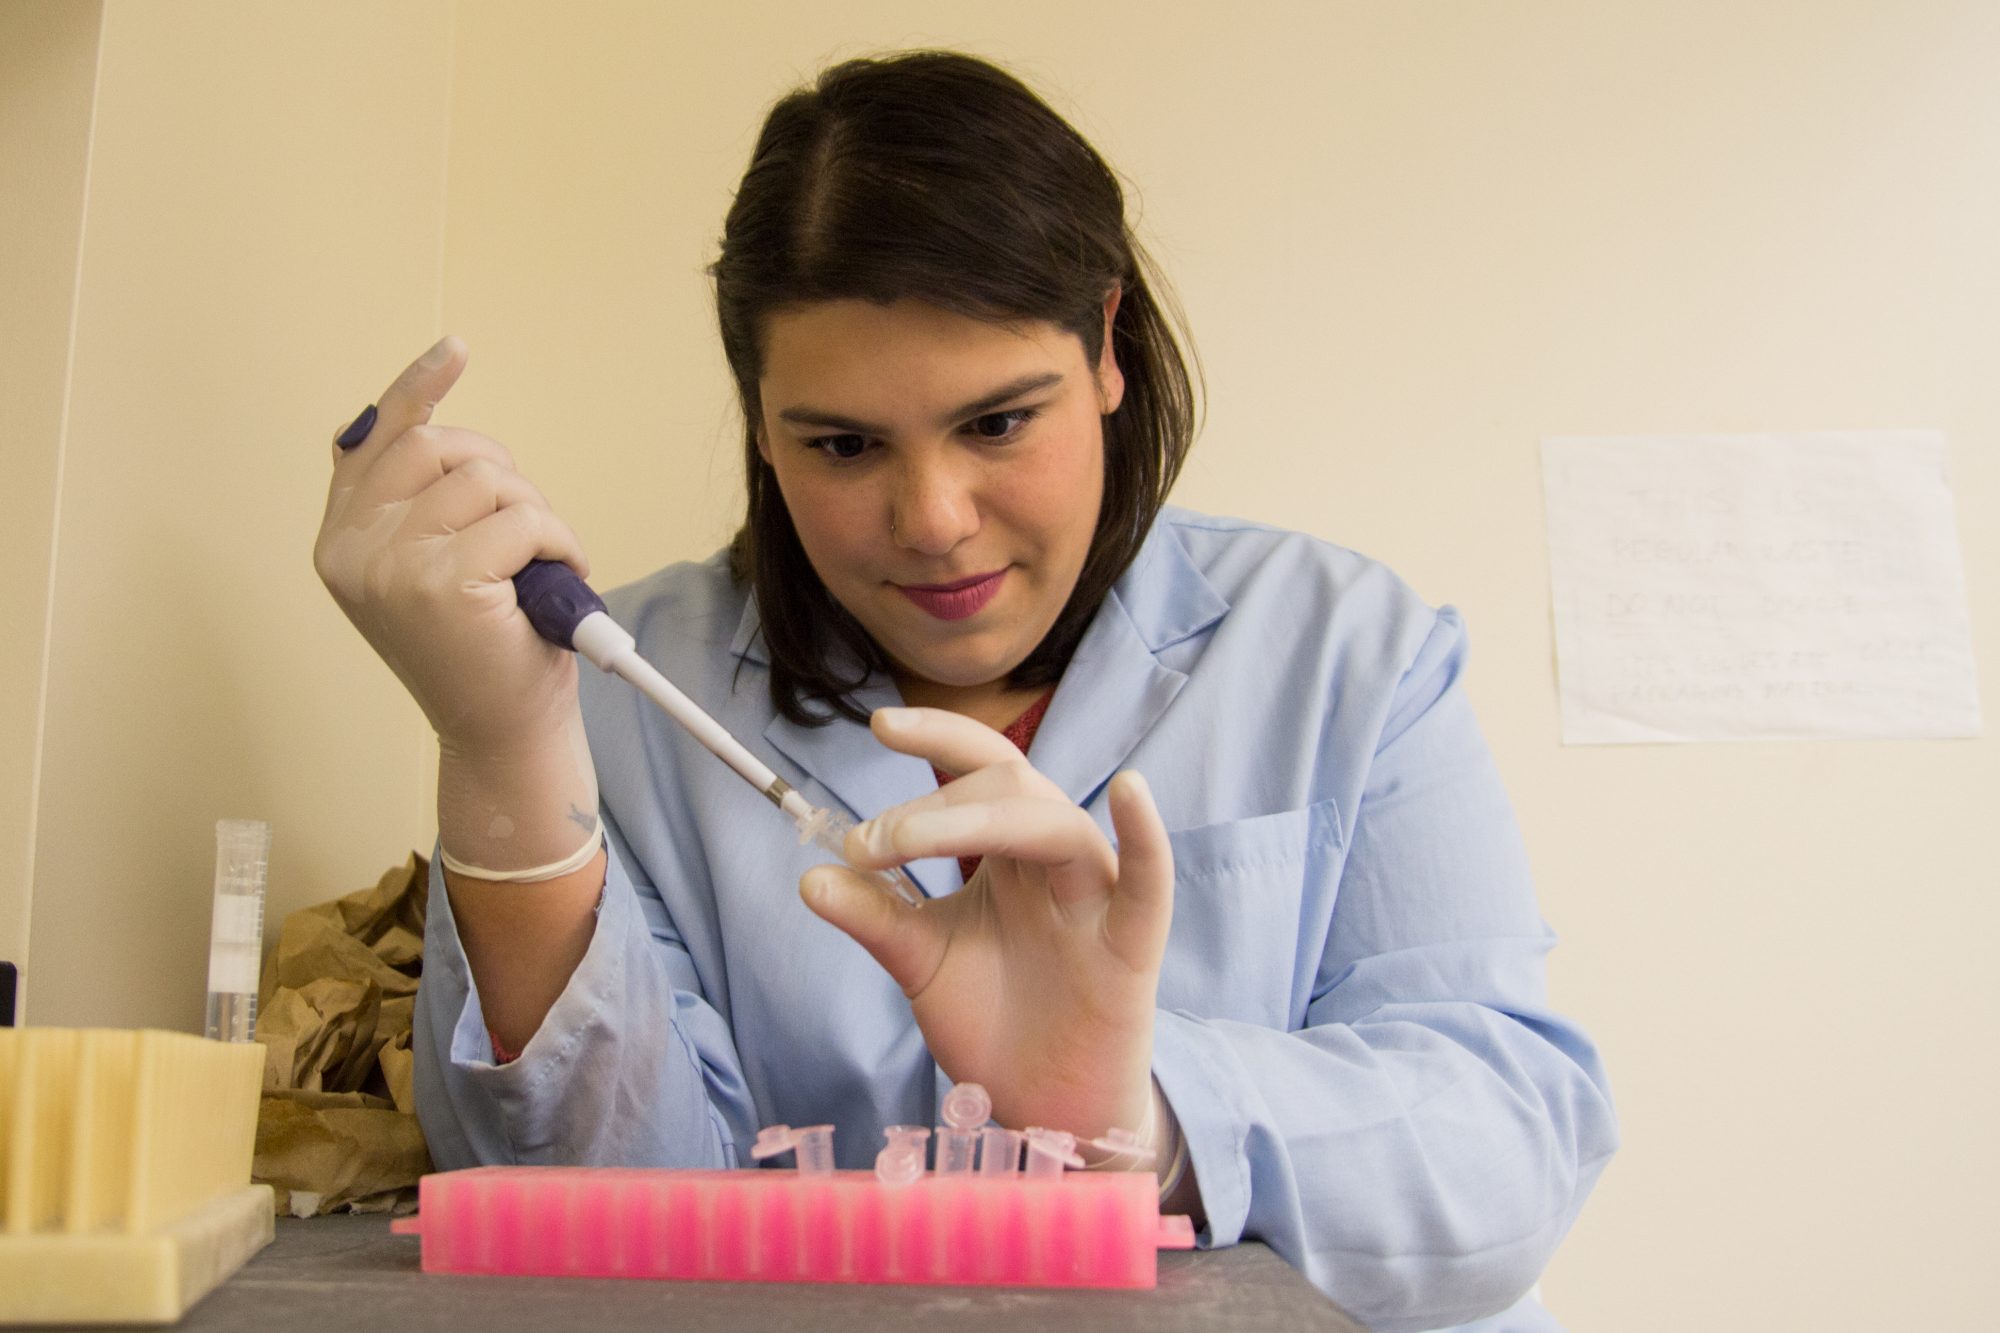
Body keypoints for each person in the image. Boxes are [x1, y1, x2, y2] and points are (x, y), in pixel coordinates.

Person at [314, 50, 1616, 1332]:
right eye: (844, 444)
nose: (933, 521)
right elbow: (586, 1229)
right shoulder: (618, 695)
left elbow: (1507, 1150)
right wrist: (504, 752)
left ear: (1108, 349)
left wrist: (1134, 1115)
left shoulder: (1345, 650)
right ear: (761, 422)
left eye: (997, 423)